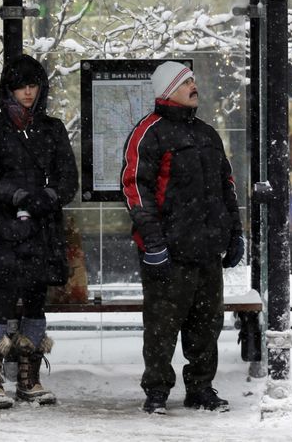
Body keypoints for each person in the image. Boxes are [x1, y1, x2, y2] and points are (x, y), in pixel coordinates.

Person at [120, 61, 244, 415]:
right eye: (185, 81)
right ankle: (156, 392)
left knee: (206, 327)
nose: (194, 85)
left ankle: (201, 388)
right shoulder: (149, 133)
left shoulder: (207, 134)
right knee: (161, 328)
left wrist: (234, 234)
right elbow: (134, 189)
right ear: (167, 90)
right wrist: (154, 242)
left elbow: (227, 187)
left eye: (193, 80)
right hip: (168, 253)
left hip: (206, 251)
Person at [0, 54, 78, 409]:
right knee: (0, 301)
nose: (28, 93)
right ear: (9, 89)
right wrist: (17, 196)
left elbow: (68, 179)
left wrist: (46, 197)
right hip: (5, 226)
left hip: (43, 227)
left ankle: (29, 379)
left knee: (35, 299)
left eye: (33, 85)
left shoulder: (52, 128)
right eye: (21, 86)